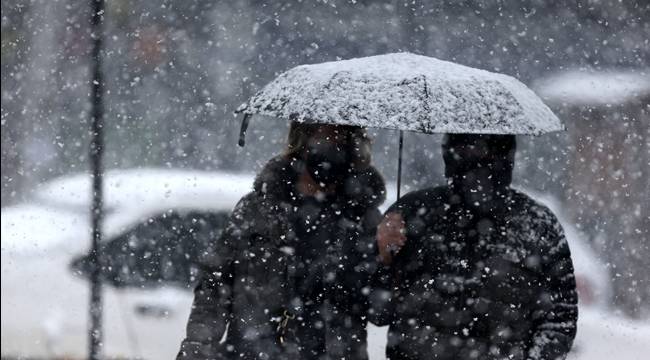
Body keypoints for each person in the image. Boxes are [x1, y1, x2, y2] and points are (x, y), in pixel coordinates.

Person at [177, 122, 386, 360]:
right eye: (325, 139)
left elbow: (381, 311)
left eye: (342, 142)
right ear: (302, 142)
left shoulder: (364, 221)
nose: (333, 149)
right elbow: (215, 286)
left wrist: (386, 258)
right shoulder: (259, 210)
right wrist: (197, 349)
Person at [369, 134, 578, 360]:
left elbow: (559, 320)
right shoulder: (411, 214)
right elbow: (378, 312)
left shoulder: (538, 225)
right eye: (467, 149)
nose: (479, 162)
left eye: (491, 151)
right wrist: (383, 256)